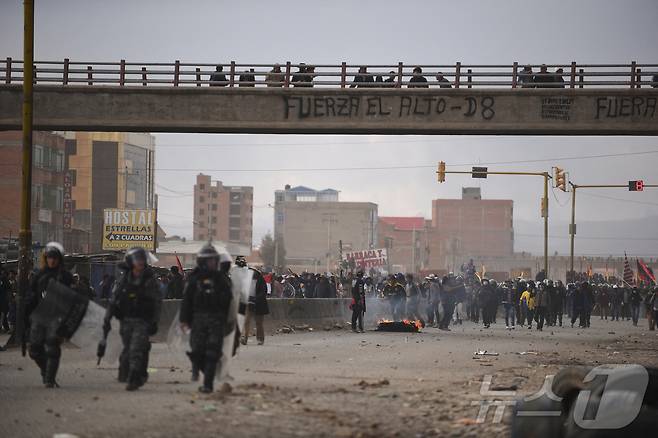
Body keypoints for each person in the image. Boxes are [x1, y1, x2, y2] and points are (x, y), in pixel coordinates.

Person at [104, 247, 162, 391]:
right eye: (137, 260)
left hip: (142, 321)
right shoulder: (124, 280)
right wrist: (108, 318)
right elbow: (114, 300)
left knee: (136, 349)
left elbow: (157, 302)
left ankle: (134, 379)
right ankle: (132, 374)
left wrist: (154, 321)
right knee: (128, 350)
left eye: (142, 260)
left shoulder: (150, 281)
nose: (140, 263)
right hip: (126, 321)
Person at [180, 244, 233, 393]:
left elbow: (229, 301)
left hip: (217, 320)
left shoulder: (221, 280)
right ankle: (199, 370)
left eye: (215, 260)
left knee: (212, 352)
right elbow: (187, 301)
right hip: (198, 320)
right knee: (197, 351)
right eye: (210, 261)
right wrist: (184, 320)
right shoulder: (194, 280)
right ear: (203, 262)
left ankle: (208, 384)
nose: (213, 263)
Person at [25, 242, 74, 387]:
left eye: (55, 257)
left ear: (59, 259)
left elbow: (73, 299)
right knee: (34, 350)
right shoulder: (39, 275)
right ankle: (46, 371)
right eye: (49, 257)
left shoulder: (66, 277)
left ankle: (49, 379)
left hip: (57, 316)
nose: (52, 260)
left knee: (52, 346)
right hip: (40, 316)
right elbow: (32, 297)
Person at [238, 256, 269, 345]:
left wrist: (256, 299)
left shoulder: (258, 277)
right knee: (246, 321)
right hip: (248, 302)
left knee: (259, 323)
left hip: (259, 303)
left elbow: (263, 291)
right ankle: (245, 338)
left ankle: (260, 339)